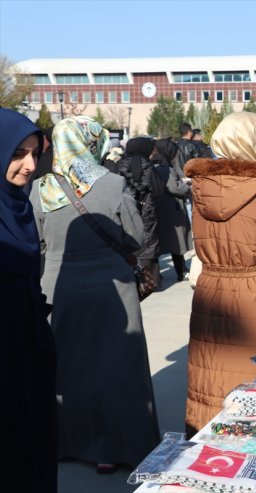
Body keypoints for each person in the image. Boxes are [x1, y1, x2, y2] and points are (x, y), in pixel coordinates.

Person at [30, 116, 160, 473]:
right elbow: (134, 236)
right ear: (92, 143)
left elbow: (37, 243)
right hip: (112, 288)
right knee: (117, 368)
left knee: (67, 367)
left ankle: (67, 443)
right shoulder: (113, 183)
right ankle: (112, 449)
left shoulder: (42, 188)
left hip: (58, 285)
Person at [184, 112, 256, 436]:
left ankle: (206, 459)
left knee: (208, 382)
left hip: (210, 290)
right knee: (255, 395)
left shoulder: (200, 186)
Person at [1, 108, 57, 492]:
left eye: (36, 153)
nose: (29, 165)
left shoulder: (18, 206)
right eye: (18, 153)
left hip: (27, 342)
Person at [118, 136, 163, 284]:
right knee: (149, 240)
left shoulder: (119, 164)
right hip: (147, 208)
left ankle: (134, 276)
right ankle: (150, 280)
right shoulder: (149, 166)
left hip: (125, 208)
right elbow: (157, 190)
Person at [152, 139, 193, 281]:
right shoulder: (166, 169)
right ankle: (181, 272)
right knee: (177, 244)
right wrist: (187, 187)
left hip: (160, 209)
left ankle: (157, 274)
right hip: (171, 210)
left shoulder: (154, 166)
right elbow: (174, 188)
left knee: (160, 244)